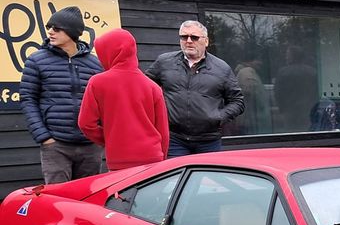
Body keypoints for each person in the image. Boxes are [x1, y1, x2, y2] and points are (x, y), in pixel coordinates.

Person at [19, 6, 104, 183]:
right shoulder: (36, 61)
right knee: (57, 200)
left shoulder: (95, 64)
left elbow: (103, 103)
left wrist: (99, 135)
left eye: (56, 28)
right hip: (56, 145)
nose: (50, 32)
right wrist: (44, 137)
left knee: (89, 199)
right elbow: (28, 99)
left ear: (72, 32)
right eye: (49, 27)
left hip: (90, 146)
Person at [146, 20, 244, 156]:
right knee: (176, 176)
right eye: (184, 37)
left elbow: (237, 102)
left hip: (208, 141)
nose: (189, 41)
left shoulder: (221, 68)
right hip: (174, 139)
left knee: (208, 177)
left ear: (206, 41)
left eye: (194, 37)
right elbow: (145, 89)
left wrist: (218, 117)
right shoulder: (164, 62)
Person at [78, 29, 169, 170]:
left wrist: (110, 140)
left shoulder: (97, 83)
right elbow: (163, 131)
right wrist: (161, 158)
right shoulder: (152, 86)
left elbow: (86, 124)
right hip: (152, 157)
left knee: (122, 193)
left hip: (119, 159)